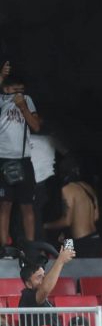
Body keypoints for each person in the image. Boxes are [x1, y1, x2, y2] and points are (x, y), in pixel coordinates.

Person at [0, 70, 41, 248]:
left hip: (23, 159)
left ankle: (30, 247)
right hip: (2, 158)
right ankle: (3, 247)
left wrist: (23, 106)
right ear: (6, 88)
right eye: (16, 89)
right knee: (5, 205)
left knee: (27, 205)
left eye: (22, 90)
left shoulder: (27, 100)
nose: (19, 93)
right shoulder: (1, 100)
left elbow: (36, 126)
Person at [18, 243, 74, 326]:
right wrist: (60, 260)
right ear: (28, 284)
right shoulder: (27, 296)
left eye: (44, 276)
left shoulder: (44, 299)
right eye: (39, 277)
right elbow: (45, 289)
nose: (44, 280)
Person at [43, 159, 100, 258]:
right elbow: (96, 216)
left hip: (80, 242)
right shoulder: (87, 187)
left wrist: (44, 226)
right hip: (94, 238)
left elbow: (67, 221)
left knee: (68, 268)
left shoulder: (67, 189)